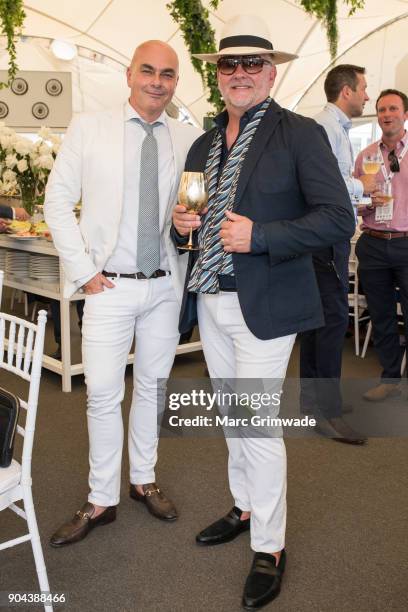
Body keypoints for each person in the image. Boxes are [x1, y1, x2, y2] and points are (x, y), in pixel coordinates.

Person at [172, 15, 355, 610]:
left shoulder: (299, 134)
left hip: (269, 306)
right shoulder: (202, 143)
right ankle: (245, 506)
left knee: (255, 423)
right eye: (230, 65)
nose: (241, 73)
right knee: (231, 416)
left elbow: (337, 219)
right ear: (217, 75)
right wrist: (181, 228)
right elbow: (190, 217)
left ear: (271, 73)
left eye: (253, 64)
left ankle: (270, 545)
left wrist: (265, 235)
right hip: (212, 295)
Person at [44, 40, 201, 546]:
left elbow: (194, 203)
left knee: (153, 390)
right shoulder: (90, 127)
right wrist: (85, 270)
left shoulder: (185, 136)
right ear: (129, 74)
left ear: (177, 82)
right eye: (149, 71)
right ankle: (100, 498)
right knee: (103, 395)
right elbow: (57, 201)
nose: (158, 81)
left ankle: (143, 480)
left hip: (163, 286)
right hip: (107, 287)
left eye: (168, 74)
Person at [300, 64, 374, 444]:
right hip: (325, 240)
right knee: (328, 325)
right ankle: (324, 411)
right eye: (363, 88)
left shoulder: (336, 129)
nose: (367, 95)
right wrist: (364, 185)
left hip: (328, 238)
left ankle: (315, 401)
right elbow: (324, 183)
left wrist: (356, 196)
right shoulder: (324, 128)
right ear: (345, 92)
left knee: (320, 324)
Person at [354, 89, 408, 401]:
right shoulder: (367, 156)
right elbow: (355, 201)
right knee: (382, 314)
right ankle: (389, 378)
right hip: (373, 243)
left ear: (404, 114)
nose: (386, 114)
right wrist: (366, 202)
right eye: (381, 109)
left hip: (405, 243)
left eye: (392, 108)